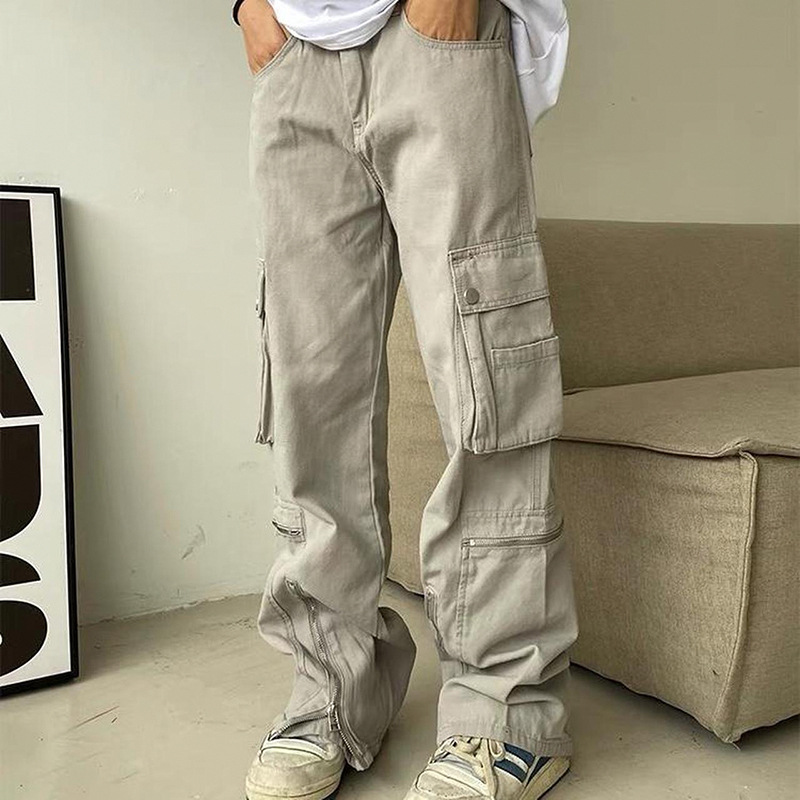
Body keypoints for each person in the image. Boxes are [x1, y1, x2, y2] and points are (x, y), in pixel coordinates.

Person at [235, 1, 578, 798]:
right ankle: (331, 684)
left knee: (486, 371)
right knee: (310, 384)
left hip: (431, 37)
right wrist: (248, 7)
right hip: (294, 50)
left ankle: (505, 710)